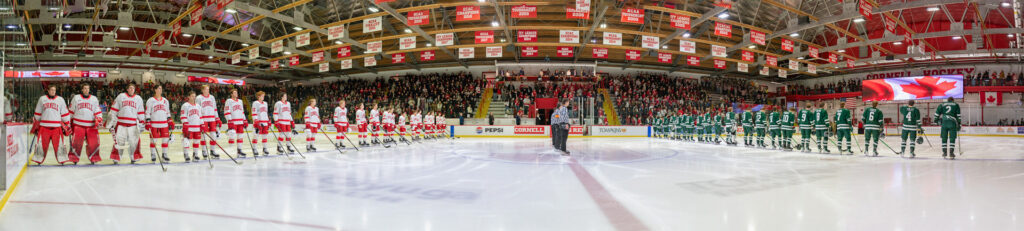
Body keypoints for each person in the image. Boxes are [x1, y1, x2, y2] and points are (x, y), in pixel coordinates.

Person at [30, 85, 71, 165]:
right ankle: (39, 159)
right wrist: (36, 123)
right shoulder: (42, 99)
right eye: (51, 90)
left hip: (56, 127)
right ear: (48, 90)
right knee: (42, 144)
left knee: (59, 144)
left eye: (54, 90)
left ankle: (62, 160)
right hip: (44, 126)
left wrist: (67, 122)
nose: (53, 91)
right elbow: (38, 112)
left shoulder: (60, 100)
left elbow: (64, 113)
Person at [107, 84, 145, 164]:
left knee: (134, 142)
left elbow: (140, 112)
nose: (131, 89)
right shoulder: (121, 96)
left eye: (133, 88)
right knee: (119, 141)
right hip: (121, 123)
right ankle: (116, 157)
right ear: (127, 89)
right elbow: (114, 110)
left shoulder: (138, 99)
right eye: (130, 88)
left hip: (133, 124)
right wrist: (111, 123)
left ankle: (133, 157)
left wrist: (142, 121)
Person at [69, 83, 102, 164]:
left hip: (91, 125)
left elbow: (97, 111)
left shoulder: (94, 99)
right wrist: (68, 122)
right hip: (78, 124)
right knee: (76, 143)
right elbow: (71, 111)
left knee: (93, 142)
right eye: (85, 88)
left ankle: (94, 157)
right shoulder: (76, 98)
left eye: (88, 88)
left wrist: (99, 118)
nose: (86, 90)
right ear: (82, 89)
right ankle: (74, 158)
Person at [145, 85, 172, 162]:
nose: (160, 90)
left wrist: (169, 121)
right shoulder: (150, 100)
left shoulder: (165, 101)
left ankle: (164, 154)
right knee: (153, 140)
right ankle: (153, 154)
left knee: (165, 140)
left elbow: (167, 112)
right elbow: (147, 112)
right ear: (155, 90)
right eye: (159, 88)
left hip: (164, 124)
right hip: (154, 124)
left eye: (161, 88)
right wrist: (148, 121)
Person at [197, 85, 222, 159]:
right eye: (206, 89)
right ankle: (204, 151)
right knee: (203, 136)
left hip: (212, 119)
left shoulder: (212, 97)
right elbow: (198, 109)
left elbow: (215, 108)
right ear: (202, 90)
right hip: (203, 119)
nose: (207, 91)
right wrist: (200, 121)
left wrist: (217, 118)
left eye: (208, 89)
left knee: (213, 135)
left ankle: (212, 151)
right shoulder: (199, 98)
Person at [223, 89, 249, 156]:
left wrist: (245, 120)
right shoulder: (229, 101)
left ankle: (239, 150)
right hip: (233, 122)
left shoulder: (240, 101)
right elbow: (226, 112)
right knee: (232, 136)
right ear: (231, 94)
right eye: (235, 92)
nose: (236, 94)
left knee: (240, 136)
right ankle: (231, 151)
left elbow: (242, 111)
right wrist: (229, 120)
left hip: (240, 121)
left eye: (236, 92)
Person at [180, 92, 204, 162]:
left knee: (196, 141)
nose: (194, 98)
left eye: (194, 96)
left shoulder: (198, 106)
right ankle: (186, 154)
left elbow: (200, 116)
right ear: (189, 97)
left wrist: (202, 124)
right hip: (189, 127)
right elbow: (183, 116)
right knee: (186, 141)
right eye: (192, 96)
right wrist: (185, 124)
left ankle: (195, 154)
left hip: (197, 126)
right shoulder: (185, 105)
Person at [251, 91, 271, 155]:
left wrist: (268, 121)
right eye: (262, 96)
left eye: (263, 96)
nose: (263, 97)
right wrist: (256, 121)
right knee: (256, 136)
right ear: (258, 96)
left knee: (265, 136)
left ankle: (264, 148)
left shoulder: (265, 103)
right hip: (258, 122)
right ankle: (254, 148)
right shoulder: (255, 103)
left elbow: (266, 113)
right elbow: (254, 113)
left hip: (265, 122)